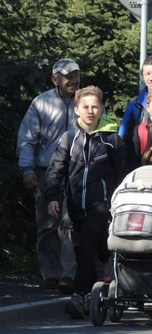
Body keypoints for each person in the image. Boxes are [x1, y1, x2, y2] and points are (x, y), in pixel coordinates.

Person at [44, 86, 126, 319]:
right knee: (85, 251)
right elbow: (55, 170)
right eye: (85, 107)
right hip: (76, 206)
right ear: (77, 110)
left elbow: (122, 175)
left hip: (102, 205)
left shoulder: (112, 139)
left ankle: (79, 295)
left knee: (88, 244)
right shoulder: (69, 138)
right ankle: (95, 290)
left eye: (95, 106)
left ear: (101, 108)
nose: (90, 111)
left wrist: (118, 205)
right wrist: (52, 198)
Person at [16, 59, 79, 293]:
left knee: (68, 221)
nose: (73, 79)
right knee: (46, 224)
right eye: (67, 76)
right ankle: (49, 274)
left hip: (76, 170)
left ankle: (68, 275)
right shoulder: (41, 103)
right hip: (45, 170)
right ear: (55, 79)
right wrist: (27, 169)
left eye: (76, 75)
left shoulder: (86, 101)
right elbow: (27, 139)